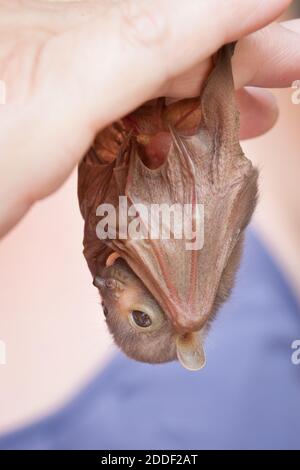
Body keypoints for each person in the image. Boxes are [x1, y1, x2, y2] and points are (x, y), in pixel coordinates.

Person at [0, 0, 300, 450]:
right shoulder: (190, 281)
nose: (111, 292)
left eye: (106, 308)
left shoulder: (109, 238)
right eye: (137, 315)